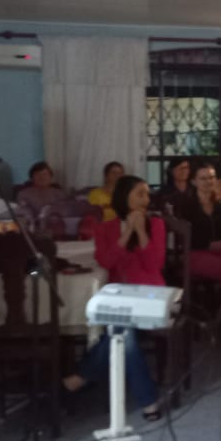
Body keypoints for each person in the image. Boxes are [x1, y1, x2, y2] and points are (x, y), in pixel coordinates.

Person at [67, 175, 163, 419]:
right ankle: (148, 400)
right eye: (139, 194)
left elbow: (155, 265)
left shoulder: (156, 224)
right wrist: (127, 231)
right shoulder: (105, 229)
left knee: (118, 329)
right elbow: (106, 261)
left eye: (147, 194)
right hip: (119, 295)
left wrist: (141, 231)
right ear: (124, 197)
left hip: (151, 294)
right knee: (122, 330)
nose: (145, 199)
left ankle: (82, 376)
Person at [178, 160, 221, 318]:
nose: (208, 182)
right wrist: (208, 245)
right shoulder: (186, 204)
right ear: (194, 181)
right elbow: (183, 238)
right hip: (196, 252)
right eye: (203, 178)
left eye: (211, 177)